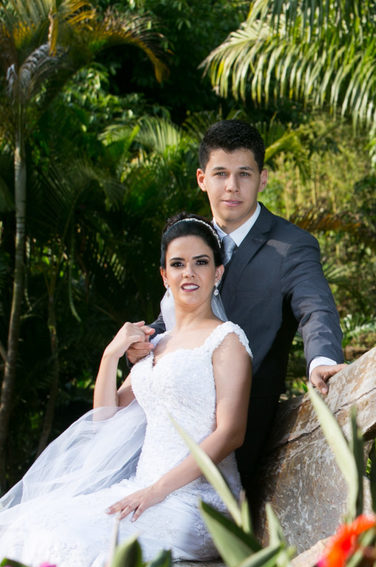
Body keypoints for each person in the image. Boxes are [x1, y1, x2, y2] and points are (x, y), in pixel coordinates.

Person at [0, 214, 252, 567]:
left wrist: (154, 493)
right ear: (164, 274)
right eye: (178, 263)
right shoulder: (158, 344)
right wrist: (110, 354)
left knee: (78, 544)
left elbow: (230, 433)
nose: (190, 273)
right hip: (139, 491)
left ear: (218, 272)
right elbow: (105, 419)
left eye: (201, 262)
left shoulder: (227, 340)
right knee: (32, 523)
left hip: (193, 504)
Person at [128, 120, 345, 485]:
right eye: (221, 174)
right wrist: (143, 342)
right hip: (162, 433)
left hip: (238, 441)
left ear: (262, 179)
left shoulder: (292, 246)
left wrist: (322, 360)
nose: (232, 186)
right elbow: (174, 319)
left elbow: (316, 307)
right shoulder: (189, 239)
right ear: (202, 179)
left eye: (244, 174)